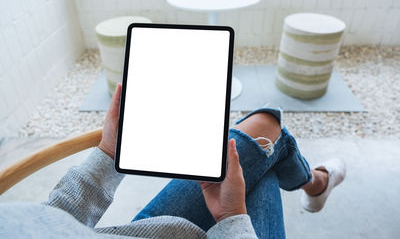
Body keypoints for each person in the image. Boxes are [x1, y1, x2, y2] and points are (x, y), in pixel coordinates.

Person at [0, 84, 346, 238]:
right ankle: (314, 183)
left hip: (146, 234)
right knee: (265, 136)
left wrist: (109, 154)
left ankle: (315, 183)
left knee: (249, 152)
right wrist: (232, 217)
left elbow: (51, 225)